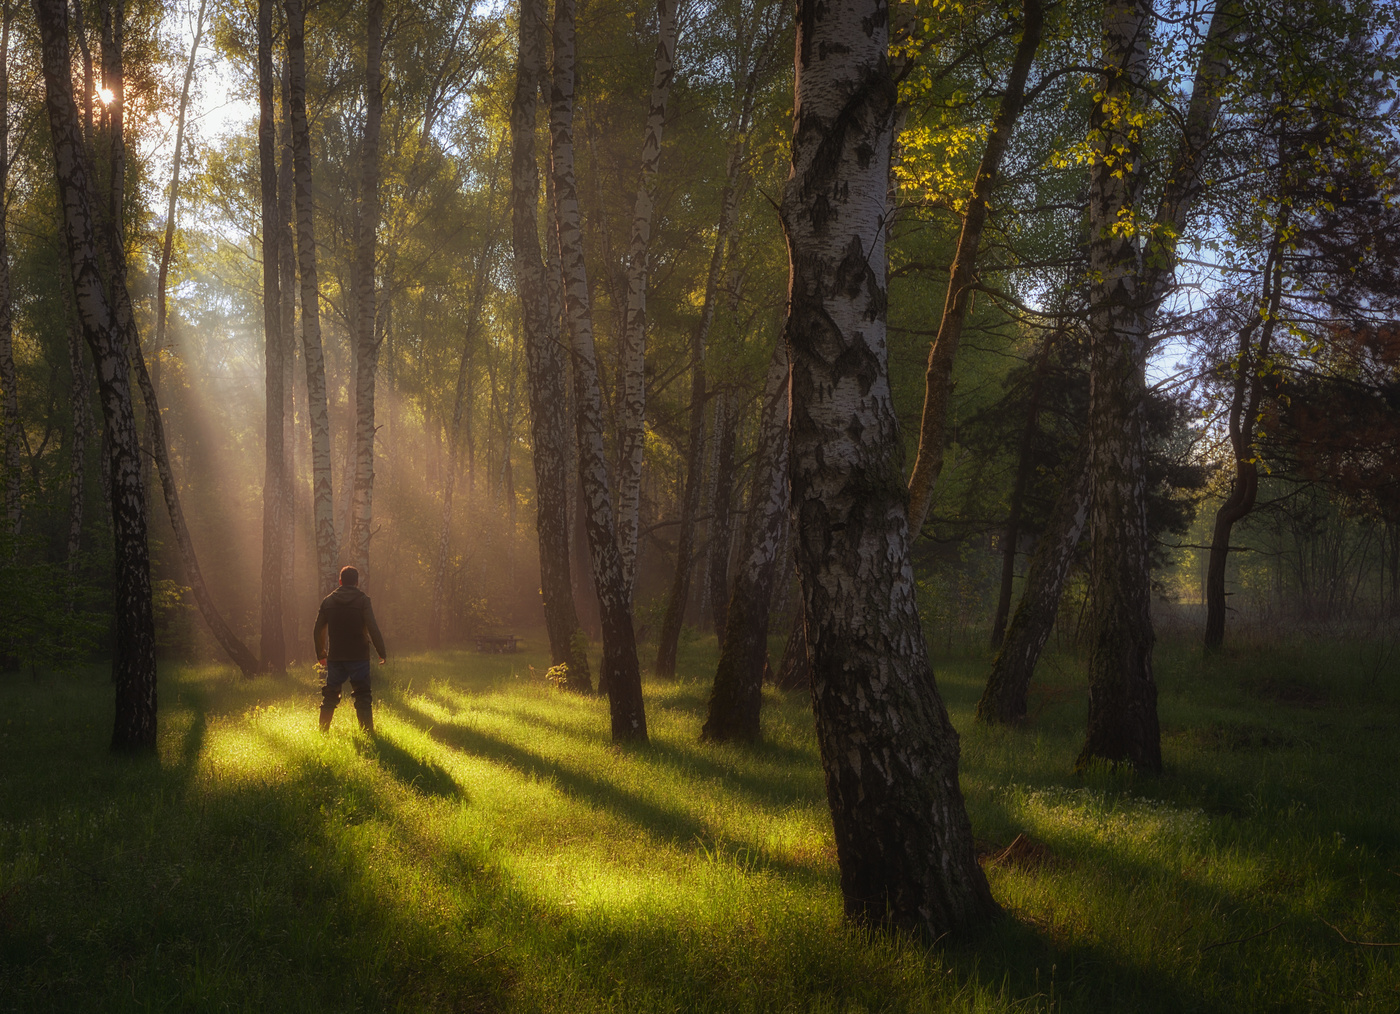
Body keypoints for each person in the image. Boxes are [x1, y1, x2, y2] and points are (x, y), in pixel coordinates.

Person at [314, 565, 387, 733]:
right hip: (359, 656)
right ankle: (367, 734)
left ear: (340, 581)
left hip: (335, 657)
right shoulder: (362, 600)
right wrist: (381, 652)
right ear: (357, 582)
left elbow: (318, 629)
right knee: (363, 696)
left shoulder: (328, 601)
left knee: (330, 696)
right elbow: (372, 627)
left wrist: (321, 653)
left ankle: (323, 733)